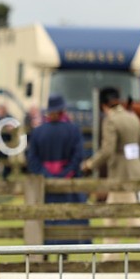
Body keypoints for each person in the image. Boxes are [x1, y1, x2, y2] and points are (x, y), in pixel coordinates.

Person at [81, 87, 140, 228]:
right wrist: (139, 165)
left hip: (120, 173)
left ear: (103, 105)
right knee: (111, 214)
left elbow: (107, 150)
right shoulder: (133, 117)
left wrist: (90, 164)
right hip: (135, 170)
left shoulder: (110, 120)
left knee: (131, 217)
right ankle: (110, 250)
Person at [27, 94, 88, 245]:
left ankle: (46, 251)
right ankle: (66, 253)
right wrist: (66, 174)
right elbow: (78, 156)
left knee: (46, 219)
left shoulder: (38, 132)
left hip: (45, 185)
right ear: (63, 111)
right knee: (69, 218)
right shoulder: (73, 130)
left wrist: (46, 175)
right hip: (69, 184)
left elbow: (32, 160)